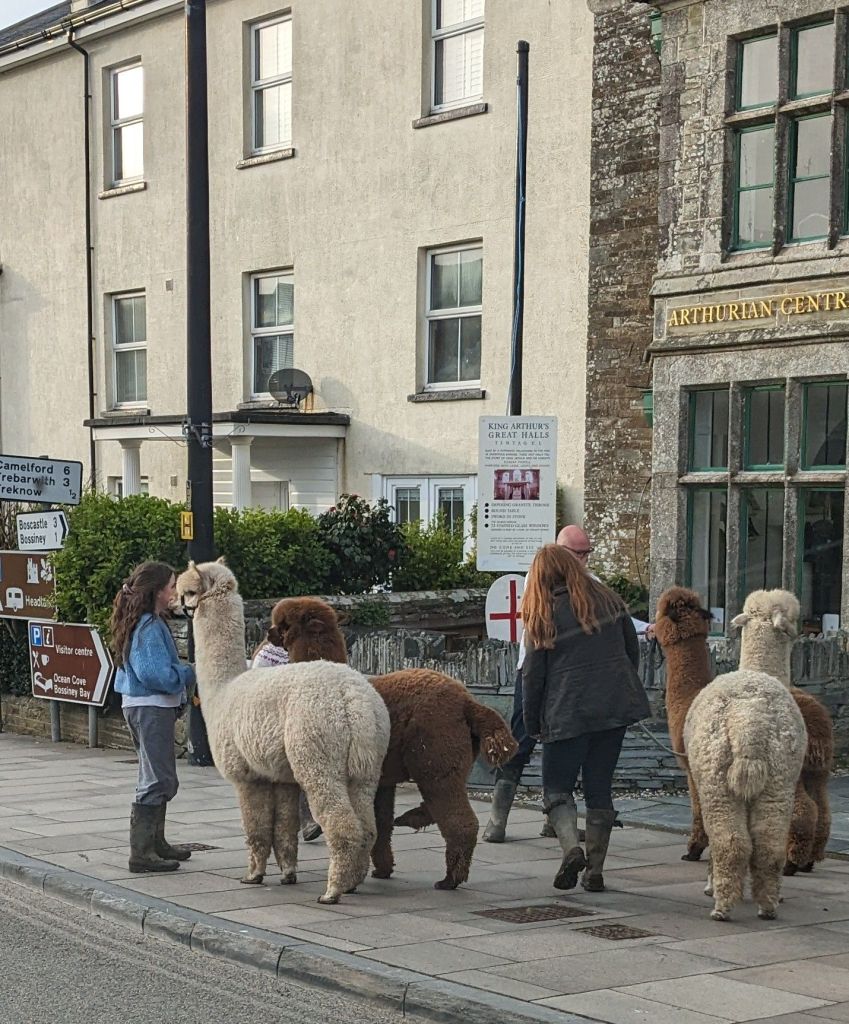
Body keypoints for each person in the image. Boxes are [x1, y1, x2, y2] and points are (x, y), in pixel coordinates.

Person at [522, 543, 650, 892]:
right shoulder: (609, 600)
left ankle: (571, 850)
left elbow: (533, 675)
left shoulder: (544, 612)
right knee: (599, 788)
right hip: (612, 709)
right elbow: (631, 651)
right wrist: (618, 692)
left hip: (567, 712)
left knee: (556, 789)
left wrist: (532, 723)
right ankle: (594, 872)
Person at [484, 524, 618, 842]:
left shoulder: (594, 584)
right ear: (560, 551)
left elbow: (613, 617)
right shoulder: (538, 577)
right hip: (534, 672)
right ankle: (496, 821)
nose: (583, 559)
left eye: (587, 553)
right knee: (520, 742)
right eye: (577, 553)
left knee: (563, 750)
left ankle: (555, 821)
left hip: (569, 680)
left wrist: (646, 628)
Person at [112, 561, 196, 873]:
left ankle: (155, 843)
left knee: (159, 775)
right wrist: (187, 673)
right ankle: (142, 853)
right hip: (151, 707)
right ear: (157, 591)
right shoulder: (147, 626)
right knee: (157, 778)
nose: (175, 592)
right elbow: (155, 674)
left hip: (146, 706)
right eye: (172, 586)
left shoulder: (146, 621)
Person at [250, 634, 323, 843]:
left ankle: (303, 820)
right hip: (275, 721)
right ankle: (301, 820)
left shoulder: (301, 648)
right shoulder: (269, 653)